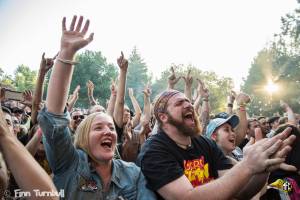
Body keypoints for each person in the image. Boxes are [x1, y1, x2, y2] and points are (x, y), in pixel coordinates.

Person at [38, 15, 156, 200]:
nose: (108, 131)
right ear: (83, 137)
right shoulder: (69, 163)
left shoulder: (133, 174)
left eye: (110, 127)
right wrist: (67, 53)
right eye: (98, 127)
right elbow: (53, 119)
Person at [137, 89, 296, 200]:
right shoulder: (154, 151)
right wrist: (247, 166)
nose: (189, 105)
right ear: (163, 117)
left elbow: (241, 192)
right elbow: (187, 197)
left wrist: (263, 169)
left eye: (188, 101)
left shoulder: (204, 143)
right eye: (179, 103)